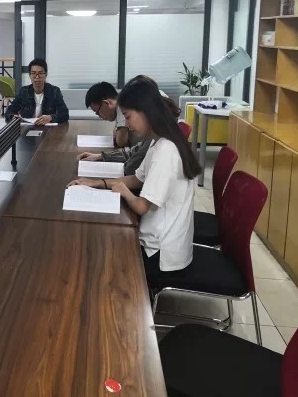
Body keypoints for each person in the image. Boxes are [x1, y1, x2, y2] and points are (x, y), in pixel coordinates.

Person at [69, 77, 201, 283]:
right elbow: (137, 179)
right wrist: (97, 183)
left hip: (161, 255)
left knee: (99, 262)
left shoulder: (166, 150)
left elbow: (141, 206)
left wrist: (123, 192)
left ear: (146, 111)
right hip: (159, 240)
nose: (127, 125)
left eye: (128, 117)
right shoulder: (159, 141)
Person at [79, 79, 182, 176]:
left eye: (127, 117)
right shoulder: (154, 131)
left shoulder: (158, 137)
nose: (126, 125)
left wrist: (103, 181)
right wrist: (101, 156)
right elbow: (134, 152)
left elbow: (131, 166)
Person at [5, 58, 69, 125]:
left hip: (48, 128)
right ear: (30, 75)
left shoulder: (54, 91)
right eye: (33, 73)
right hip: (27, 127)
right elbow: (9, 111)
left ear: (46, 75)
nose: (37, 77)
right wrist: (13, 117)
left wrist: (51, 117)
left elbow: (65, 114)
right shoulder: (24, 91)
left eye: (40, 73)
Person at [84, 81, 143, 148]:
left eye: (97, 112)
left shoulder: (123, 106)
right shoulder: (122, 102)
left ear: (106, 103)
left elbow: (121, 142)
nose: (99, 116)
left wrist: (120, 134)